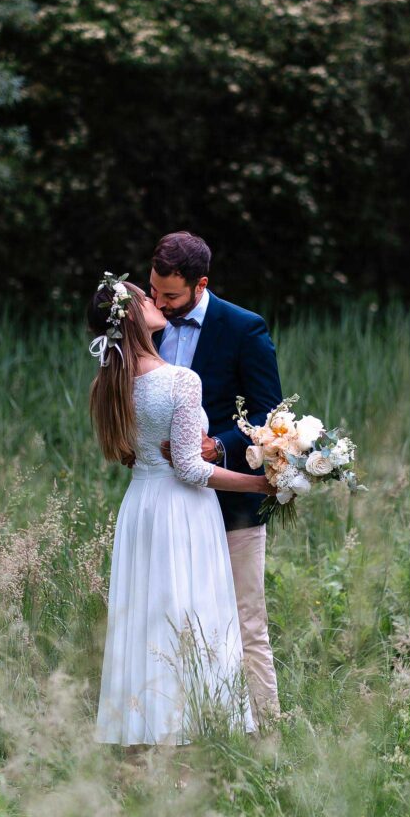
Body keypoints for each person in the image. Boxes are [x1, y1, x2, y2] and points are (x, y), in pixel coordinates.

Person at [88, 274, 272, 747]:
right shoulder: (179, 380)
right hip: (181, 510)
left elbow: (134, 450)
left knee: (146, 618)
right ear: (133, 318)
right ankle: (193, 735)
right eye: (147, 298)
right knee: (193, 615)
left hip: (140, 508)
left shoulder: (110, 383)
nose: (155, 302)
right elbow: (190, 469)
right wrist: (262, 484)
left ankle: (144, 735)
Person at [150, 231, 283, 724]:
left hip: (231, 506)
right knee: (171, 621)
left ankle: (267, 735)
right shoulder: (145, 322)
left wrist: (220, 445)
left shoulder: (244, 329)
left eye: (172, 296)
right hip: (166, 502)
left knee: (246, 620)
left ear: (200, 284)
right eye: (155, 291)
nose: (160, 304)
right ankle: (185, 728)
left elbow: (272, 418)